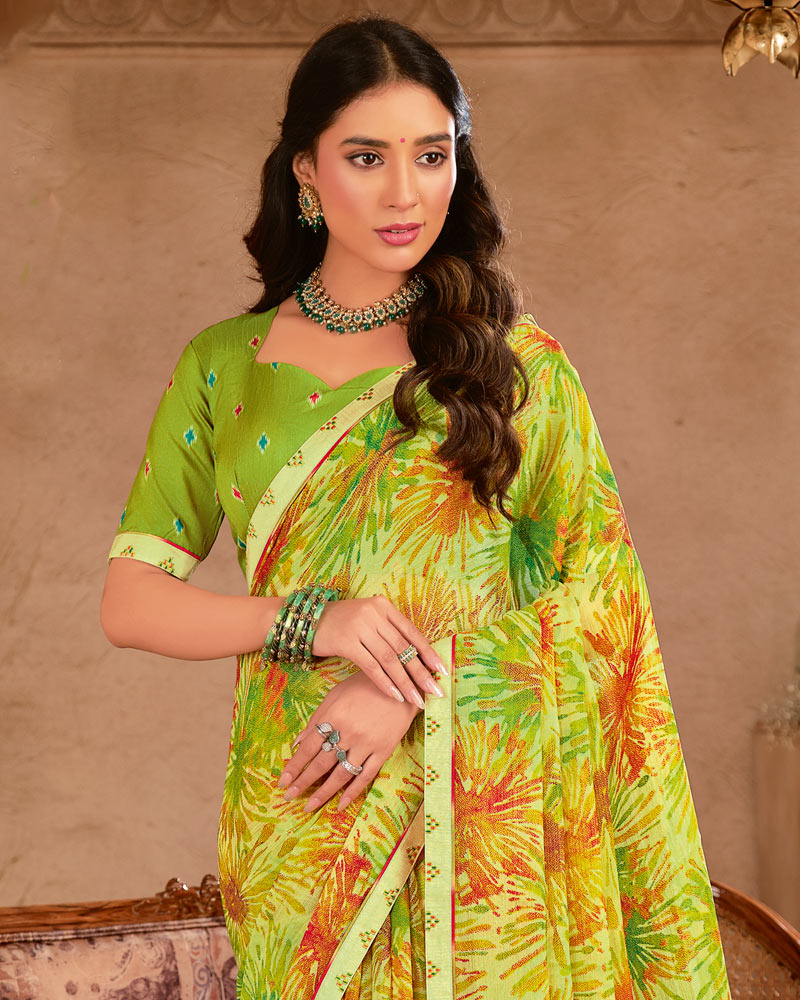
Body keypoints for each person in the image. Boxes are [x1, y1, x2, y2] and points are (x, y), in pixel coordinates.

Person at [100, 14, 732, 1000]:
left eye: (431, 155)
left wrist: (411, 687)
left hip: (491, 851)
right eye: (367, 157)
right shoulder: (224, 366)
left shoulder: (516, 368)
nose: (405, 192)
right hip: (304, 828)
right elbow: (130, 600)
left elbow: (600, 603)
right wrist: (315, 622)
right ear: (306, 171)